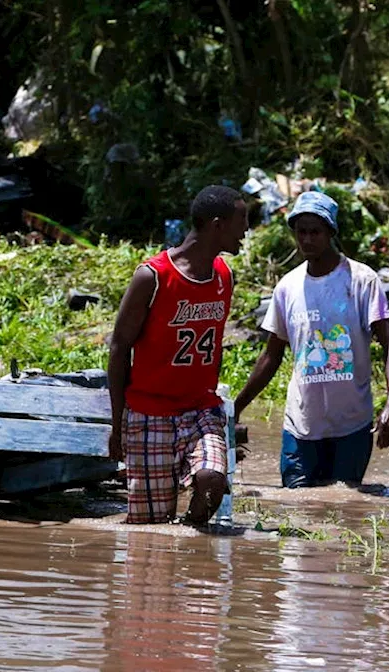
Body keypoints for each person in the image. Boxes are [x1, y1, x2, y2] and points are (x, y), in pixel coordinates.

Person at [233, 191, 389, 488]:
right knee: (297, 511)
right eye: (301, 232)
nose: (307, 239)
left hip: (351, 425)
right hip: (301, 425)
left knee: (344, 515)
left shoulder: (361, 280)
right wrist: (236, 407)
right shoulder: (287, 288)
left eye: (316, 232)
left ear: (331, 233)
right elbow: (271, 355)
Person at [107, 185, 250, 525]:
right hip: (148, 414)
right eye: (241, 222)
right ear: (217, 225)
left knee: (212, 479)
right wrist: (118, 424)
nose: (246, 231)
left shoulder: (224, 277)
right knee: (149, 529)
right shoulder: (152, 276)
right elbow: (119, 346)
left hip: (200, 409)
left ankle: (191, 536)